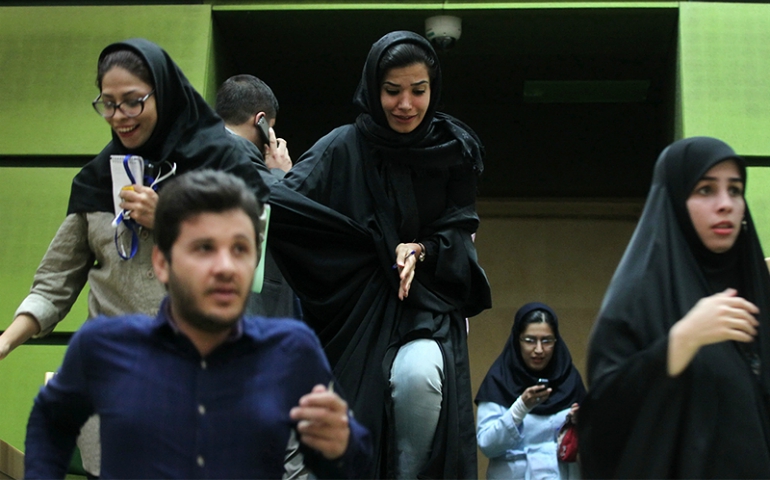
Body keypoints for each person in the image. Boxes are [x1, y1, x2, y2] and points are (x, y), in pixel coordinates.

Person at [0, 38, 268, 476]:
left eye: (133, 102)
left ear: (162, 93)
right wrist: (7, 340)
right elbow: (54, 284)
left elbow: (244, 261)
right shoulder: (93, 182)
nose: (119, 117)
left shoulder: (218, 167)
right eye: (108, 104)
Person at [24, 170, 372, 479]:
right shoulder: (103, 347)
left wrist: (341, 447)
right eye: (204, 248)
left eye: (240, 249)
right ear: (162, 262)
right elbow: (49, 421)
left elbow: (351, 462)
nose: (225, 267)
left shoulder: (292, 350)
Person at [268, 31, 492, 478]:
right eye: (392, 91)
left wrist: (422, 249)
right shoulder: (341, 146)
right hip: (353, 316)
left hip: (424, 307)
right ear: (374, 89)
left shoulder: (454, 149)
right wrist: (276, 181)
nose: (406, 104)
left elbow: (459, 234)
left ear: (434, 89)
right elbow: (284, 204)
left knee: (419, 379)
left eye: (418, 90)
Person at [578, 137, 770, 478]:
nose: (725, 204)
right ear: (674, 201)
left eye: (736, 190)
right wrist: (679, 343)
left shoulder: (754, 288)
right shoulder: (639, 299)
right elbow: (603, 421)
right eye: (706, 190)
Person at [215, 74, 301, 320]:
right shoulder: (236, 150)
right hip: (249, 307)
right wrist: (280, 172)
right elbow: (279, 206)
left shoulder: (204, 147)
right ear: (261, 120)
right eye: (270, 127)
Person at [476, 302, 586, 479]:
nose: (539, 350)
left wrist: (582, 423)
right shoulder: (499, 381)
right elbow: (487, 445)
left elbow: (597, 447)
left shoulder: (570, 379)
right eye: (530, 340)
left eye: (547, 341)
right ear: (517, 340)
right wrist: (520, 407)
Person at [215, 74, 292, 176]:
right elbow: (274, 192)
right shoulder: (243, 161)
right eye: (270, 128)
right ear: (260, 119)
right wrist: (278, 171)